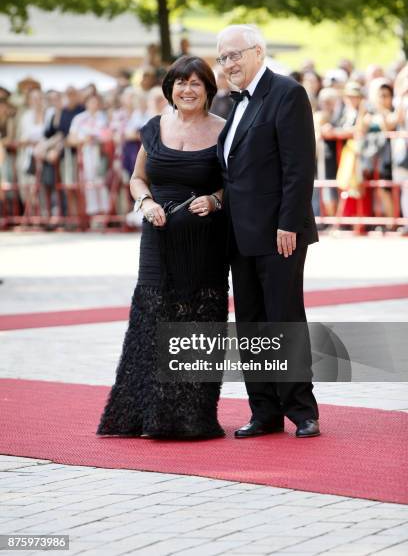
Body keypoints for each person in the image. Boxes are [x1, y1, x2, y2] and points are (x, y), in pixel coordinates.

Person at [97, 56, 229, 439]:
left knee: (195, 317)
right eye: (180, 83)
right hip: (157, 233)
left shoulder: (224, 130)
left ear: (208, 90)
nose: (187, 90)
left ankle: (190, 416)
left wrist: (215, 200)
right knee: (151, 315)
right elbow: (138, 179)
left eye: (196, 84)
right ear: (169, 87)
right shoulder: (154, 128)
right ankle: (142, 413)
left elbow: (234, 183)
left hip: (203, 238)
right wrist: (147, 203)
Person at [216, 24, 320, 438]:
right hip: (240, 235)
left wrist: (288, 223)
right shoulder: (229, 103)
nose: (228, 64)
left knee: (284, 318)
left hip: (280, 232)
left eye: (235, 54)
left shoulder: (287, 93)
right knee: (252, 324)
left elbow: (300, 166)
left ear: (258, 52)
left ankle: (301, 409)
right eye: (222, 57)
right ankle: (264, 410)